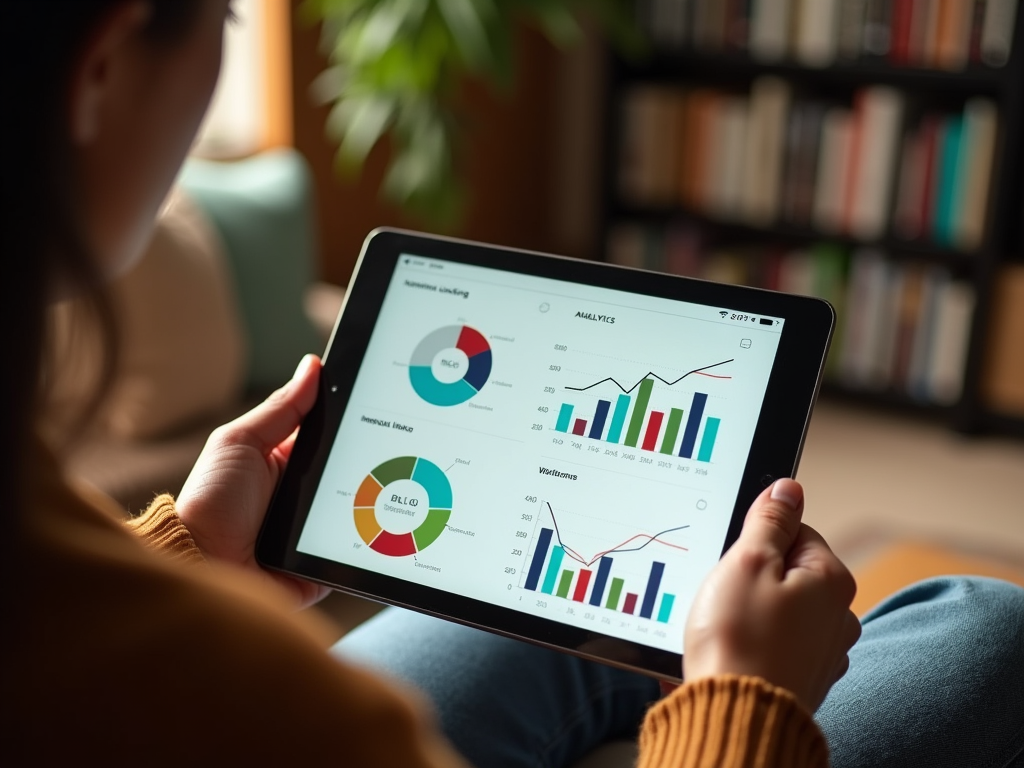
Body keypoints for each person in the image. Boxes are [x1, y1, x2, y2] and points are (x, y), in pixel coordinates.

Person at [3, 1, 1022, 766]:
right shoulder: (313, 723)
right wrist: (740, 700)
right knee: (981, 623)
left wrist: (189, 562)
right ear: (100, 65)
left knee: (537, 617)